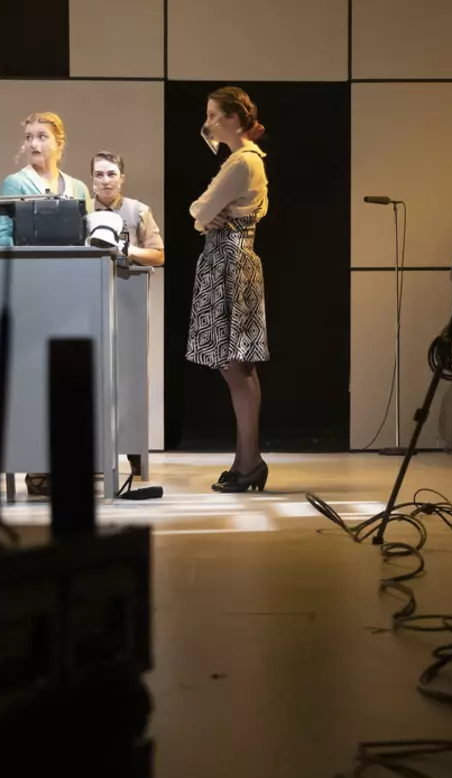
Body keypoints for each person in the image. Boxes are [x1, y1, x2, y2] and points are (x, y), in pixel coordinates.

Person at [187, 87, 270, 493]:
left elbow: (200, 211)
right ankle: (246, 459)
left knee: (235, 367)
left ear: (233, 120)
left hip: (229, 261)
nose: (209, 123)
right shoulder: (246, 160)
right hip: (234, 258)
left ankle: (249, 461)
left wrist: (202, 215)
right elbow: (201, 212)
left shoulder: (241, 162)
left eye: (214, 115)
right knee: (240, 367)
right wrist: (202, 215)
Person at [0, 112, 91, 247]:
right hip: (28, 266)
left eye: (42, 137)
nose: (33, 144)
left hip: (72, 266)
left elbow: (90, 239)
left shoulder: (78, 188)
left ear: (59, 144)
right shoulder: (15, 184)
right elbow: (0, 241)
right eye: (28, 137)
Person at [88, 152, 164, 267]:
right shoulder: (82, 211)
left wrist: (128, 250)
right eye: (99, 175)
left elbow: (158, 257)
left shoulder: (139, 211)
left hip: (127, 281)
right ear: (92, 179)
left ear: (121, 178)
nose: (105, 181)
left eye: (111, 174)